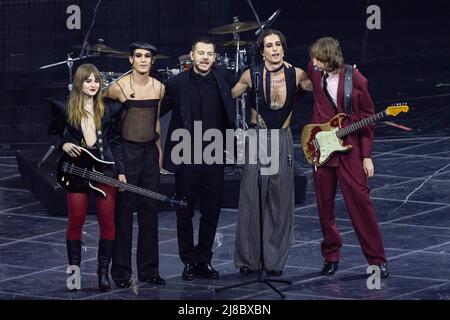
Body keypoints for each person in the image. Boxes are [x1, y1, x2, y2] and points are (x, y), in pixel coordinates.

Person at [231, 29, 311, 276]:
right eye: (269, 45)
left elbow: (319, 88)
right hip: (257, 138)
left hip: (282, 139)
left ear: (283, 48)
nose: (275, 49)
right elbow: (230, 95)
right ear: (262, 51)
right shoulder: (251, 75)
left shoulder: (297, 74)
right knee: (251, 198)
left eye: (278, 45)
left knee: (280, 200)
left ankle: (274, 261)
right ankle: (249, 260)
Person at [307, 37, 388, 278]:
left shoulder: (356, 79)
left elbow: (368, 118)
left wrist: (366, 156)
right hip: (322, 148)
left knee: (360, 205)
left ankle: (376, 259)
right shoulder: (315, 72)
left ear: (329, 58)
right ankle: (331, 255)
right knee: (324, 206)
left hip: (350, 149)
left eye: (318, 58)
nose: (313, 62)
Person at [160, 37, 235, 281]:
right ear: (191, 55)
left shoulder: (223, 78)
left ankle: (204, 259)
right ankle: (189, 261)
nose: (205, 58)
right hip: (186, 154)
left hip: (214, 155)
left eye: (209, 54)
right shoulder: (176, 83)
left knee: (211, 211)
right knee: (184, 211)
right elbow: (156, 110)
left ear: (214, 57)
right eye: (200, 53)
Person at [48, 63, 123, 291]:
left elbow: (116, 142)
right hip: (76, 172)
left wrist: (120, 171)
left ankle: (103, 274)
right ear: (79, 83)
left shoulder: (110, 109)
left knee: (107, 223)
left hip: (105, 169)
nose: (93, 85)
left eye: (96, 81)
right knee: (76, 222)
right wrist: (65, 144)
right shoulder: (63, 107)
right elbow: (52, 134)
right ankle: (74, 274)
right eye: (88, 80)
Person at [106, 41, 166, 287]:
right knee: (123, 215)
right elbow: (109, 131)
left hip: (149, 154)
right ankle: (121, 272)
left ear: (153, 61)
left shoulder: (160, 88)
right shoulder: (116, 88)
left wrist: (159, 156)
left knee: (150, 213)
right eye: (138, 56)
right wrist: (117, 166)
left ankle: (149, 270)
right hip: (127, 154)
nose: (143, 60)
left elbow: (157, 125)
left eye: (147, 56)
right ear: (130, 59)